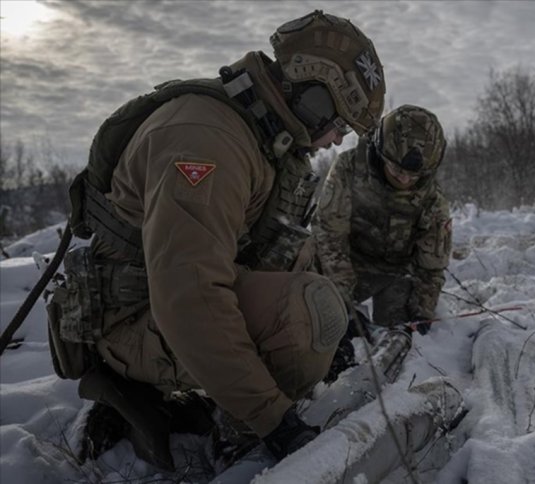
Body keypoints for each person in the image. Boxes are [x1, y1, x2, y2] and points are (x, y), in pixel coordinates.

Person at [47, 10, 385, 469]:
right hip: (131, 320)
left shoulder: (260, 136)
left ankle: (222, 393)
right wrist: (274, 419)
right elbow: (190, 294)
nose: (334, 140)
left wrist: (342, 322)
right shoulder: (208, 141)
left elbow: (280, 248)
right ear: (314, 99)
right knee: (310, 314)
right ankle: (215, 428)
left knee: (323, 307)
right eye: (339, 125)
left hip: (162, 305)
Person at [313, 105, 452, 354]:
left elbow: (432, 267)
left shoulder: (433, 200)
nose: (405, 180)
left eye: (414, 175)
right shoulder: (348, 168)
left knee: (398, 338)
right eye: (398, 170)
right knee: (323, 318)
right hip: (344, 263)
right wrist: (343, 303)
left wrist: (423, 311)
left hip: (395, 273)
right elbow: (329, 235)